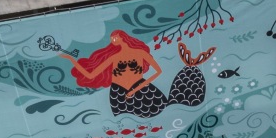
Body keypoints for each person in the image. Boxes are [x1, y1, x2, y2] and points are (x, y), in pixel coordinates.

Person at [57, 31, 211, 119]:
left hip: (143, 92)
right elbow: (90, 75)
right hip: (119, 94)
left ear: (122, 38)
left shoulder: (139, 53)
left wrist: (136, 89)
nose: (112, 40)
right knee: (127, 124)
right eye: (112, 39)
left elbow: (158, 71)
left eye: (114, 38)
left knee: (158, 118)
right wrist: (72, 60)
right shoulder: (113, 57)